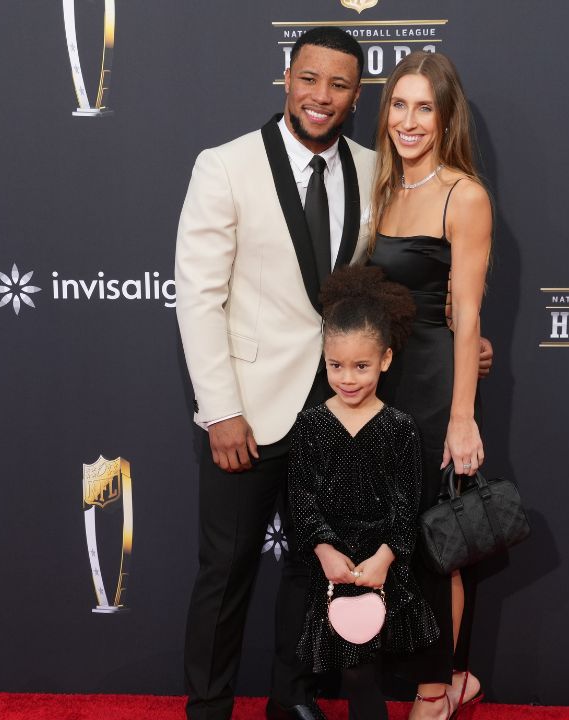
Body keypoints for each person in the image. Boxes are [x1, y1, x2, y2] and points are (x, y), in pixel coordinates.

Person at [175, 27, 373, 720]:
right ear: (287, 80)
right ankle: (208, 709)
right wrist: (220, 409)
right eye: (310, 79)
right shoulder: (224, 166)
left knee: (308, 567)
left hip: (337, 412)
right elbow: (198, 297)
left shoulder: (373, 169)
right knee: (225, 574)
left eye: (340, 85)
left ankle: (292, 702)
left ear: (355, 96)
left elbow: (389, 285)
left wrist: (465, 342)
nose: (322, 96)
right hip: (250, 414)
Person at [366, 51, 493, 720]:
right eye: (399, 104)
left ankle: (433, 694)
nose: (408, 121)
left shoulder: (462, 194)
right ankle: (452, 677)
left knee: (433, 541)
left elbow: (468, 313)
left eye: (424, 108)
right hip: (381, 389)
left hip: (437, 388)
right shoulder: (383, 187)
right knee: (396, 536)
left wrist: (463, 417)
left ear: (446, 119)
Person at [288, 266, 439, 720]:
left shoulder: (399, 428)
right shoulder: (311, 425)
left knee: (365, 672)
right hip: (333, 569)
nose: (348, 378)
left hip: (380, 567)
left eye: (361, 366)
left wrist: (385, 558)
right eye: (336, 365)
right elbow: (302, 498)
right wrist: (325, 552)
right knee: (355, 672)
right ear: (324, 359)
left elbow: (406, 502)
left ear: (386, 360)